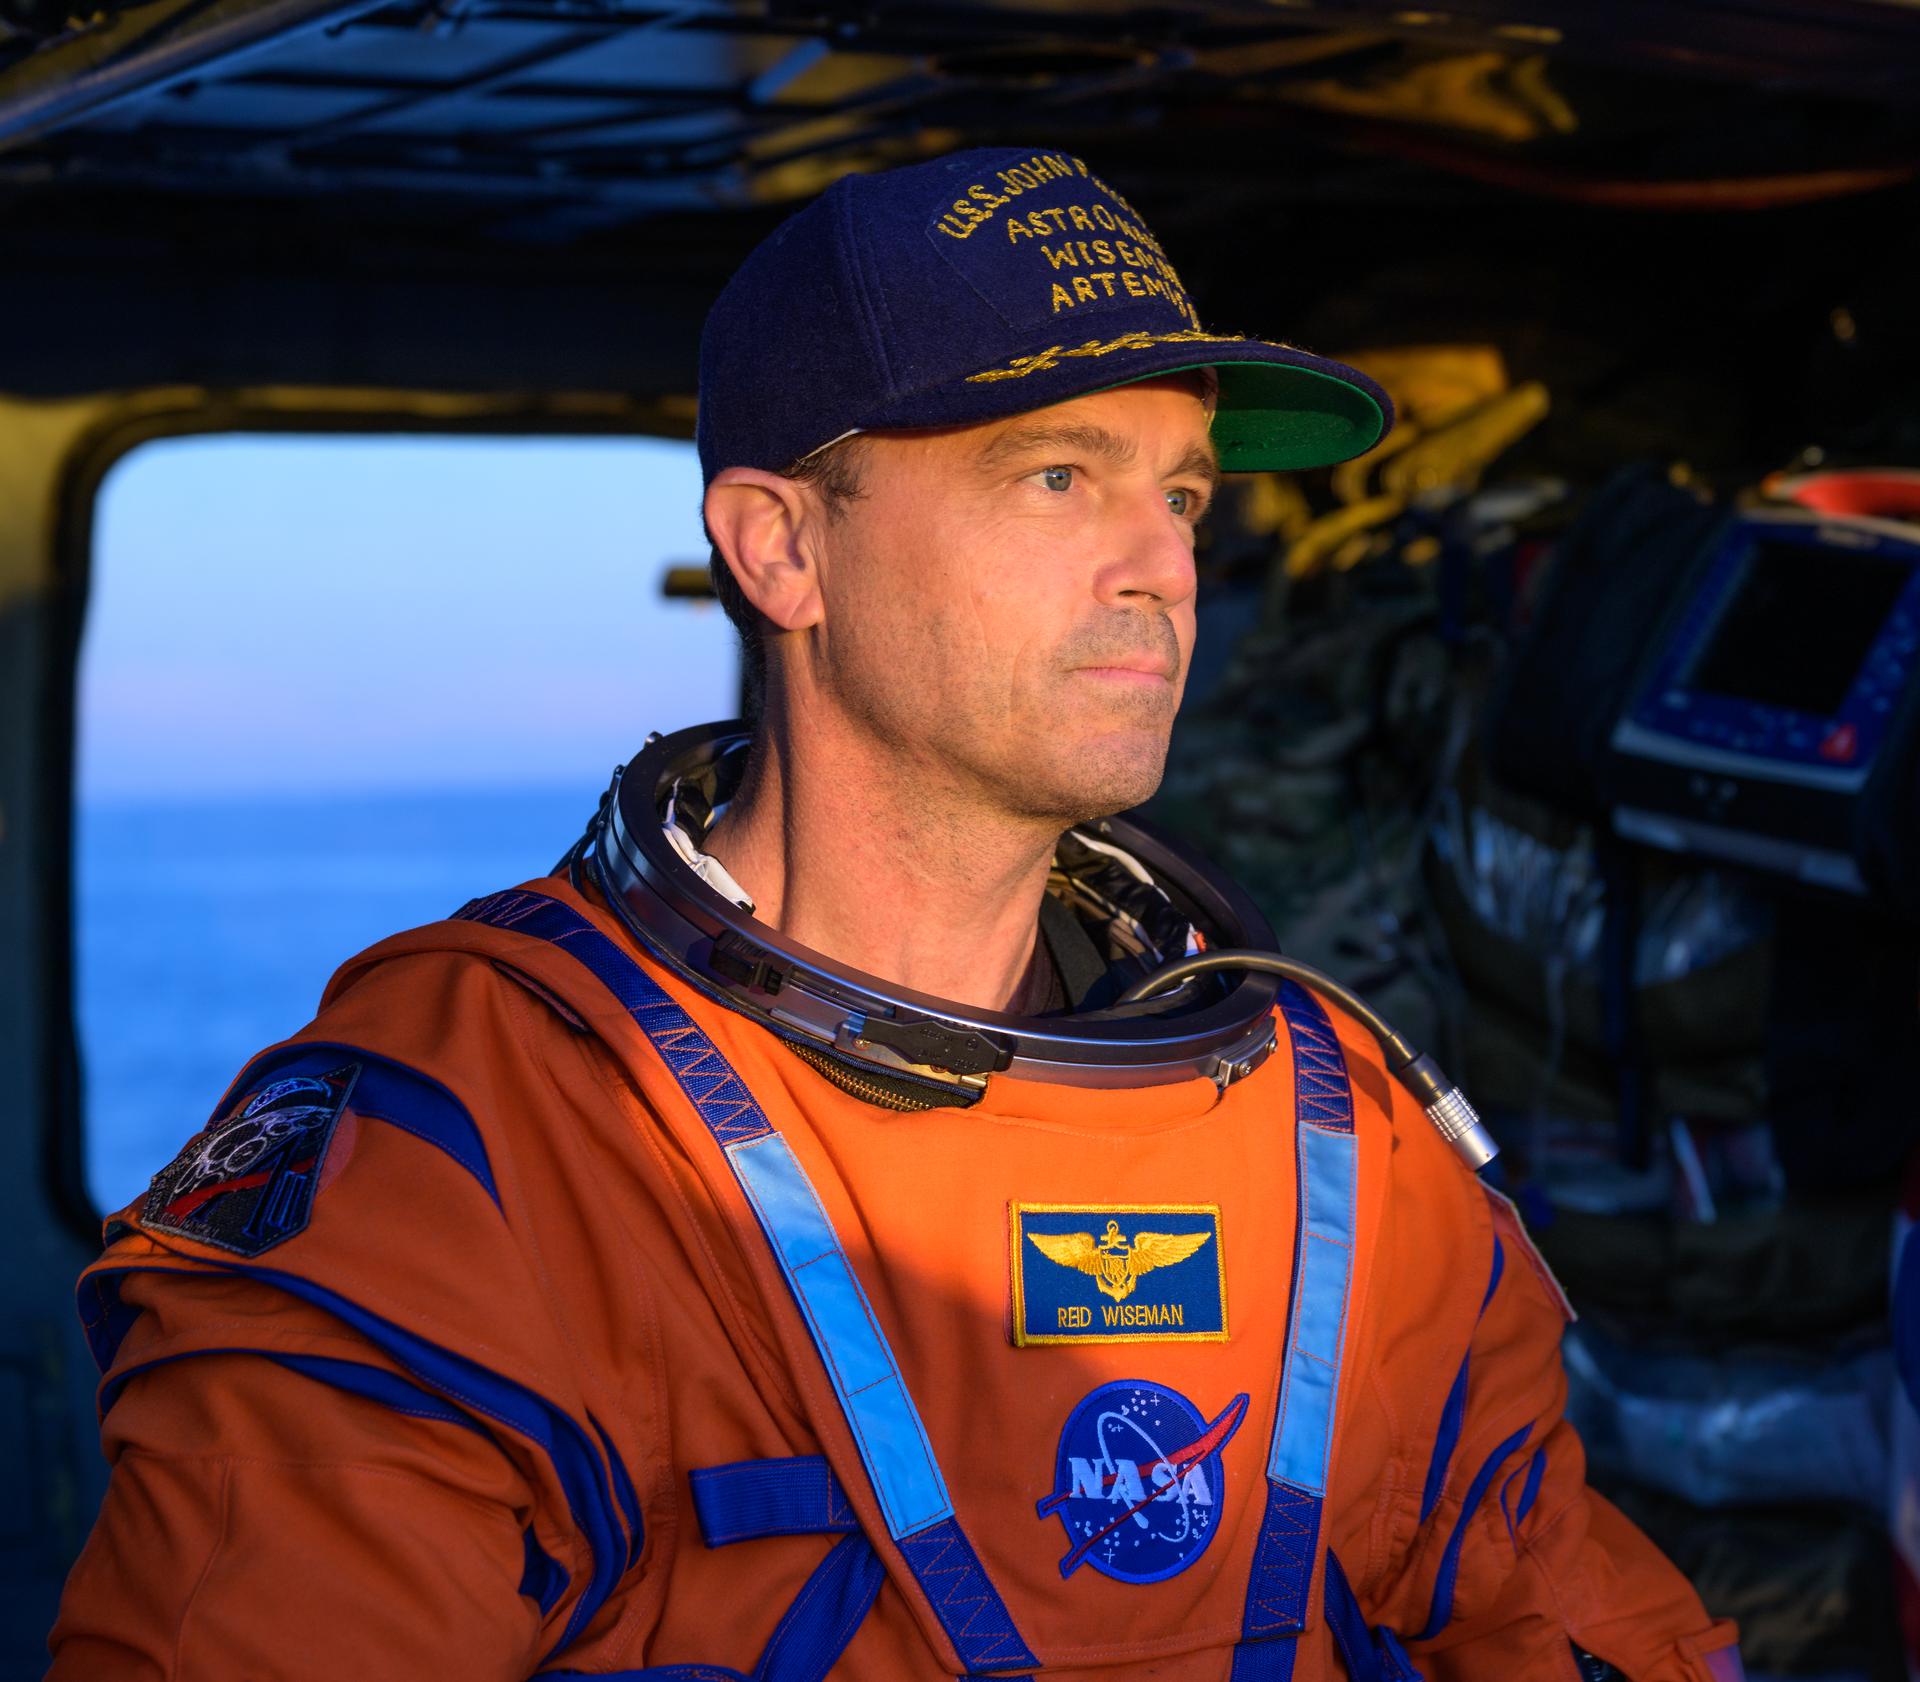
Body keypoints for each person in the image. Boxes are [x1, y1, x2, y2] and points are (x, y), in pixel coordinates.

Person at [47, 146, 1742, 1682]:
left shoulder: (1334, 1132)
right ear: (780, 550)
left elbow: (1558, 1612)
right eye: (1058, 475)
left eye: (1186, 491)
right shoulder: (476, 1135)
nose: (1161, 561)